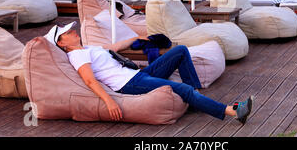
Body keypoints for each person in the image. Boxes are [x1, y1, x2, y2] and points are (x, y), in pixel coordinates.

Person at [45, 22, 254, 124]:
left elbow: (114, 47)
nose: (74, 31)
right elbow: (90, 81)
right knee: (181, 89)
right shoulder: (77, 57)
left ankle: (194, 96)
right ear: (62, 43)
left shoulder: (88, 49)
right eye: (68, 33)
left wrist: (140, 37)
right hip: (129, 84)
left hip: (137, 74)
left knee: (180, 52)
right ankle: (233, 112)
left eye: (72, 29)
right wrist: (108, 101)